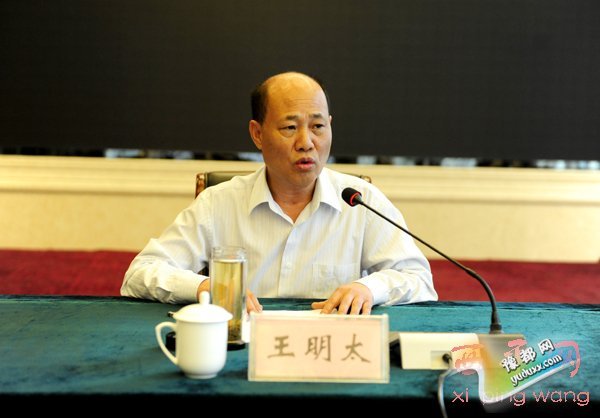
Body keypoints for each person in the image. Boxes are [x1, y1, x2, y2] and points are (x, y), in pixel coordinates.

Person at [121, 71, 437, 314]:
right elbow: (139, 274)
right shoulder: (219, 203)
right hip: (243, 351)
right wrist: (206, 287)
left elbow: (418, 279)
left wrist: (369, 288)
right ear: (257, 134)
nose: (306, 143)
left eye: (318, 127)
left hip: (331, 353)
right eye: (289, 128)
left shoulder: (360, 202)